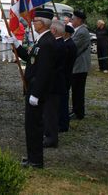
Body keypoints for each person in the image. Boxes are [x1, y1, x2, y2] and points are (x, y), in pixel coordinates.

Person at [8, 8, 56, 169]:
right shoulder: (41, 40)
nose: (33, 23)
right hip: (32, 88)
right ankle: (32, 157)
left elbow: (44, 71)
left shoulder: (48, 42)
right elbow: (30, 59)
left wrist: (35, 93)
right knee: (30, 125)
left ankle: (36, 160)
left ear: (42, 23)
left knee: (34, 126)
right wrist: (16, 44)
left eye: (35, 21)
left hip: (37, 90)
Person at [43, 20, 67, 148]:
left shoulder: (58, 46)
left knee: (51, 113)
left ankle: (51, 138)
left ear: (53, 31)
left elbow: (52, 65)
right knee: (48, 112)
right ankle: (48, 134)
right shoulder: (59, 44)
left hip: (54, 84)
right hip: (55, 83)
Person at [70, 10, 91, 120]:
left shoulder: (82, 31)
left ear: (79, 20)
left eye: (73, 19)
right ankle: (75, 110)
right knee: (76, 89)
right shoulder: (78, 30)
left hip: (80, 66)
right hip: (78, 66)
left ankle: (78, 113)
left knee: (78, 90)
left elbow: (73, 47)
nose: (71, 20)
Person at [58, 25, 77, 132]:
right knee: (62, 101)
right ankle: (62, 122)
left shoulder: (68, 45)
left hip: (65, 76)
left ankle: (63, 124)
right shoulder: (68, 44)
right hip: (66, 75)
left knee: (63, 102)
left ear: (67, 34)